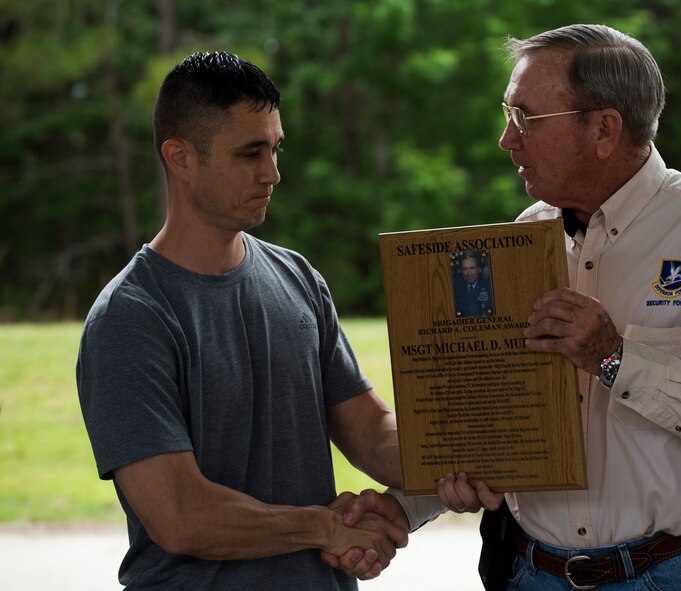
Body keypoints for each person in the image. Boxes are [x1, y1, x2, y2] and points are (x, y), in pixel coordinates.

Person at [437, 24, 681, 590]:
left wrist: (616, 359)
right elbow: (512, 409)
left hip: (672, 574)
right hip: (533, 571)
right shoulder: (524, 237)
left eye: (525, 119)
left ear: (604, 128)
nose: (507, 140)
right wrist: (484, 470)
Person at [76, 51, 430, 590]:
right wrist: (325, 529)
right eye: (249, 153)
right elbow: (180, 515)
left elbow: (368, 429)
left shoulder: (298, 278)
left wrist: (467, 454)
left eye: (274, 148)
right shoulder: (130, 318)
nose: (273, 173)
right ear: (180, 157)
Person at [453, 252, 495, 317]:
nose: (469, 273)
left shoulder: (490, 288)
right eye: (465, 269)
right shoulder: (456, 290)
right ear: (462, 271)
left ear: (478, 269)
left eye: (472, 268)